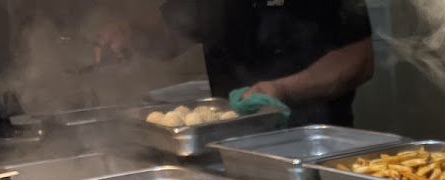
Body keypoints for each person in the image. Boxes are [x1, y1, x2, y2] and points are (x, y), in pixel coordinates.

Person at [100, 0, 374, 127]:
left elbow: (359, 59)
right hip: (229, 145)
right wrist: (132, 36)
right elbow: (172, 35)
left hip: (313, 142)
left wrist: (281, 90)